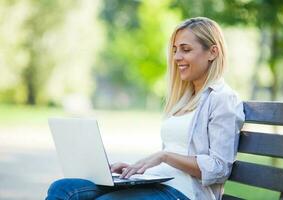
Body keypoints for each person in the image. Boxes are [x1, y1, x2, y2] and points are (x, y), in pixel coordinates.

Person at [46, 17, 245, 200]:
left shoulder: (223, 99)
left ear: (213, 52)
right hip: (157, 181)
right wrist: (136, 169)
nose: (176, 57)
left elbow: (219, 168)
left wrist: (163, 156)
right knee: (62, 188)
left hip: (186, 193)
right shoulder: (184, 99)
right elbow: (175, 151)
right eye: (175, 49)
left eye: (185, 49)